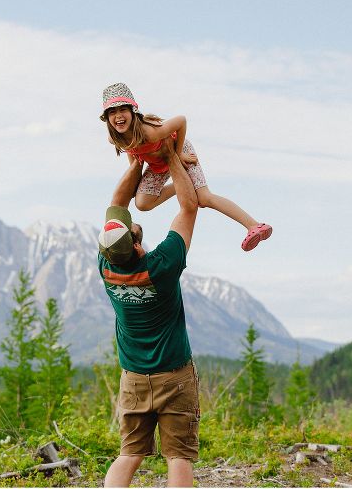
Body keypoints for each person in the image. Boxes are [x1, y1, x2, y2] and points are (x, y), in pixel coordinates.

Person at [97, 135, 199, 487]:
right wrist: (169, 154)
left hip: (134, 379)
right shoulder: (164, 265)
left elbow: (118, 200)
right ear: (137, 243)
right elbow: (188, 208)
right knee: (179, 457)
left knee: (129, 454)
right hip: (174, 376)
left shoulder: (107, 267)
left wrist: (137, 161)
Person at [100, 82, 272, 252]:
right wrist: (136, 179)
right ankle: (182, 187)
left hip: (177, 151)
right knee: (142, 203)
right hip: (157, 163)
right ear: (107, 118)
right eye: (112, 112)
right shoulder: (115, 137)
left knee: (204, 198)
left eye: (123, 110)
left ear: (133, 112)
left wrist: (178, 153)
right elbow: (133, 150)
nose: (118, 116)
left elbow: (181, 121)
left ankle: (254, 225)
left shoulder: (150, 132)